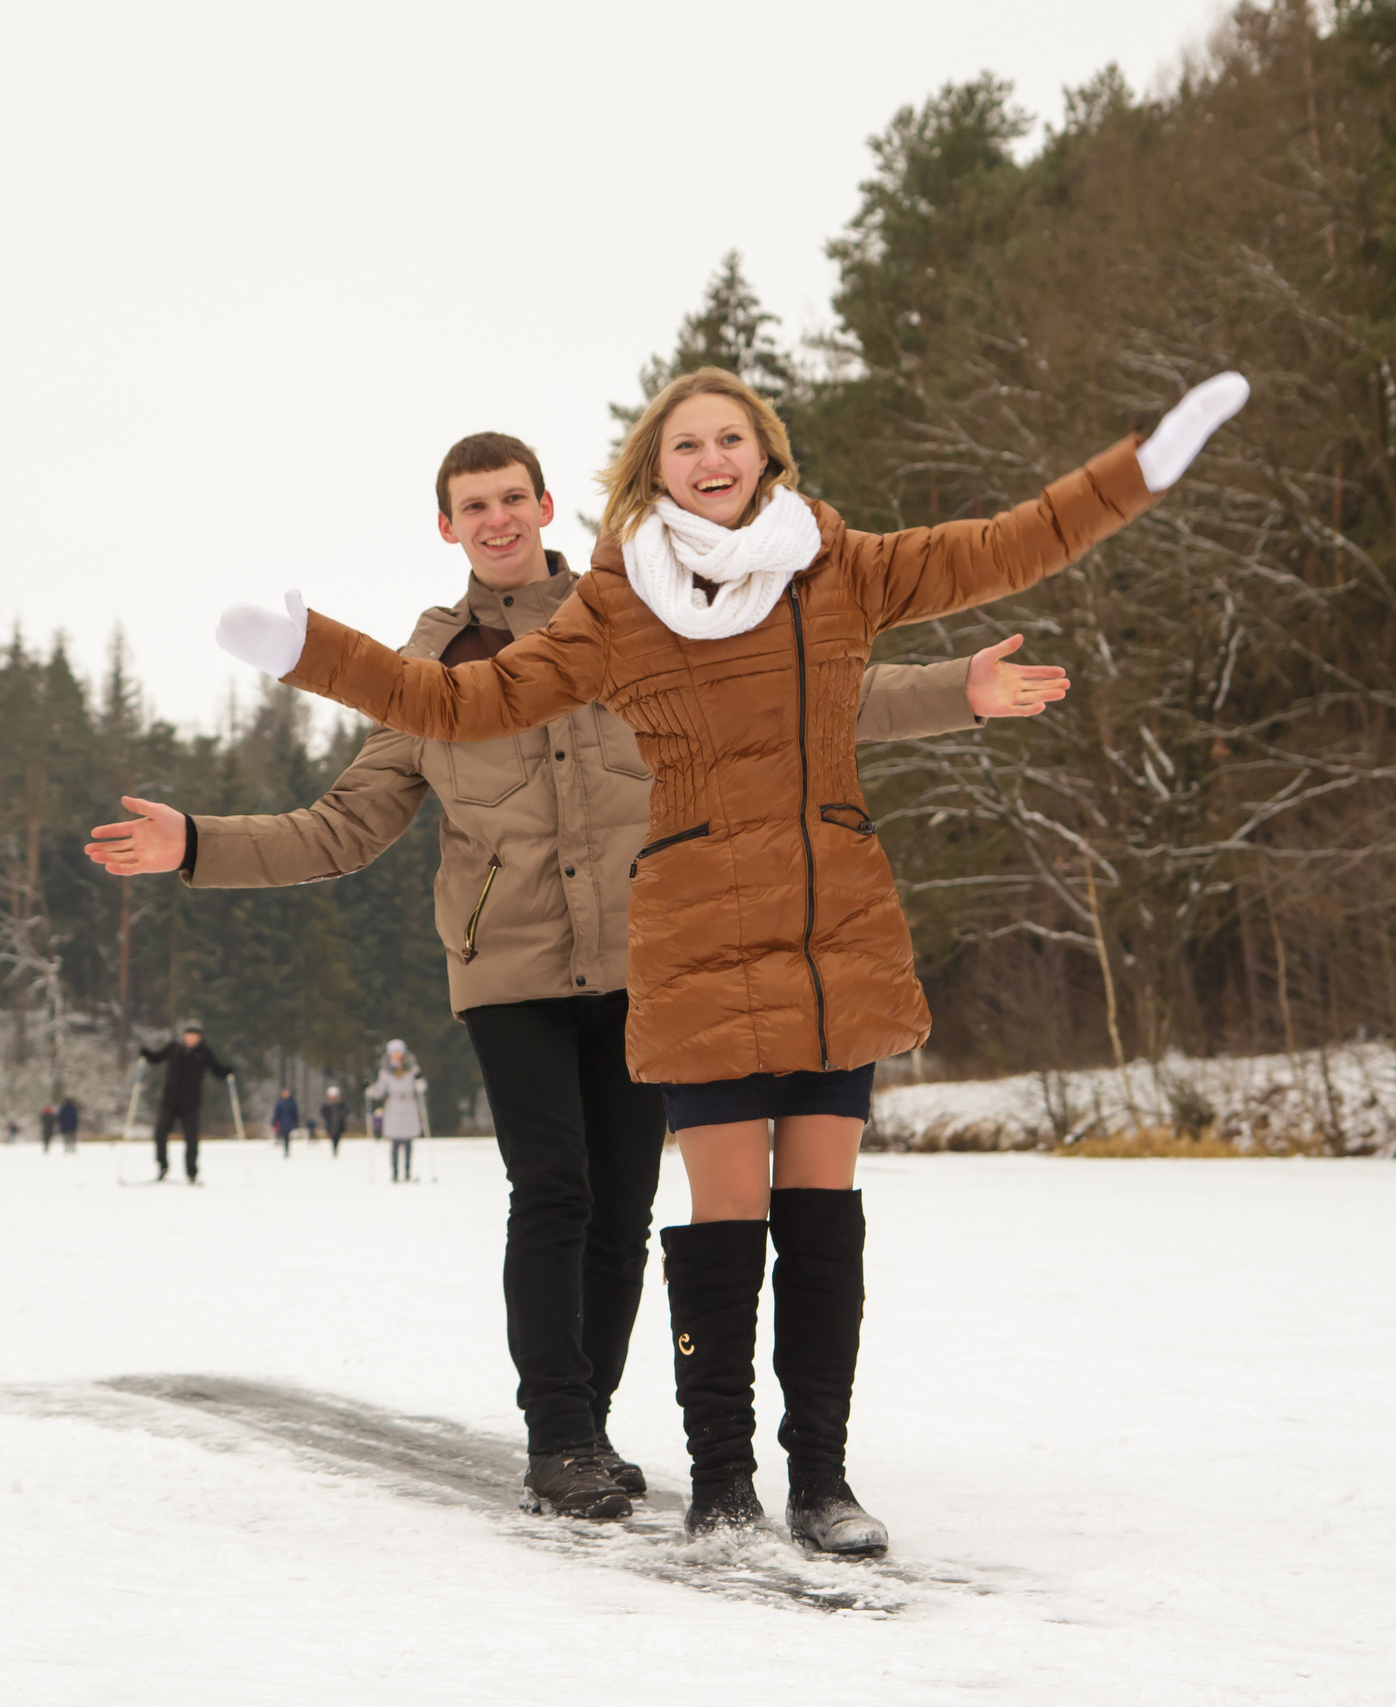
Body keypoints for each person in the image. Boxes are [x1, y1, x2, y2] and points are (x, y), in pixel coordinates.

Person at [213, 366, 1247, 1549]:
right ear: (652, 469)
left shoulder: (839, 567)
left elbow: (1007, 547)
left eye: (732, 438)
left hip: (831, 930)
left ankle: (822, 1482)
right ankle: (719, 1482)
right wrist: (311, 650)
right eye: (686, 443)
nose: (711, 458)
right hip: (699, 937)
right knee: (717, 1219)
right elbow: (458, 706)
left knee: (824, 1217)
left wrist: (1142, 466)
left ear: (767, 454)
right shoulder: (618, 606)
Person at [88, 431, 1063, 1523]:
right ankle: (558, 1433)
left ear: (547, 506)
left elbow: (807, 693)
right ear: (446, 527)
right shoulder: (426, 673)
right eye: (473, 505)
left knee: (624, 1209)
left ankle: (586, 1424)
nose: (496, 519)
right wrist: (197, 846)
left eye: (513, 497)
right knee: (553, 1190)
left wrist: (959, 691)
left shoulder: (638, 613)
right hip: (510, 972)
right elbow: (342, 828)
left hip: (654, 959)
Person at [139, 1022, 234, 1183]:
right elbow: (156, 1058)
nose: (192, 1038)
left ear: (199, 1037)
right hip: (170, 1101)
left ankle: (191, 1172)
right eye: (189, 1034)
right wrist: (146, 1054)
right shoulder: (174, 1048)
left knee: (191, 1138)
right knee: (160, 1133)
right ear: (184, 1035)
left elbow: (217, 1071)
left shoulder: (204, 1052)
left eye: (195, 1035)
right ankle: (162, 1166)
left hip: (191, 1103)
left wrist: (227, 1071)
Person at [370, 1039, 426, 1183]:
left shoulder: (413, 1069)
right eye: (393, 1052)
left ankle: (407, 1171)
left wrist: (420, 1085)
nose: (396, 1055)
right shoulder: (385, 1072)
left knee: (408, 1141)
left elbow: (421, 1086)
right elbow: (379, 1090)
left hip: (408, 1105)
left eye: (399, 1052)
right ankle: (394, 1172)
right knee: (394, 1142)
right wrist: (370, 1090)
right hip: (393, 1106)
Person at [270, 1087, 300, 1158]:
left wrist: (295, 1122)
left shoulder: (292, 1102)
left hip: (289, 1122)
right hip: (281, 1122)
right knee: (282, 1135)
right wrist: (274, 1122)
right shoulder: (280, 1103)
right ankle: (282, 1146)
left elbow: (295, 1114)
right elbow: (276, 1114)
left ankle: (286, 1150)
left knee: (287, 1136)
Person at [319, 1084, 348, 1159]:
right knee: (332, 1137)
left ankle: (336, 1150)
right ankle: (334, 1150)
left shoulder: (341, 1103)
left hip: (339, 1124)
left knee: (337, 1137)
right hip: (330, 1124)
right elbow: (323, 1113)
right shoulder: (326, 1104)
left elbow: (345, 1111)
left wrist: (340, 1116)